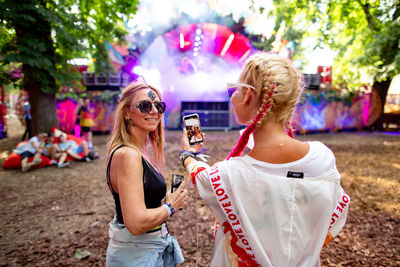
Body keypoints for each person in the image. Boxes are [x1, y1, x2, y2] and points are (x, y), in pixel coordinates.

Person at [180, 52, 350, 266]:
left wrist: (188, 155)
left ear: (248, 96)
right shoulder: (322, 159)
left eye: (235, 89)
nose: (232, 95)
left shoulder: (229, 176)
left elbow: (200, 176)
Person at [105, 82, 187, 266]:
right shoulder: (128, 155)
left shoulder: (138, 151)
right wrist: (170, 206)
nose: (154, 111)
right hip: (137, 256)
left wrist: (187, 154)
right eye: (144, 105)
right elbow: (135, 223)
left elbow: (143, 203)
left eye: (159, 106)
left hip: (145, 251)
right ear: (126, 112)